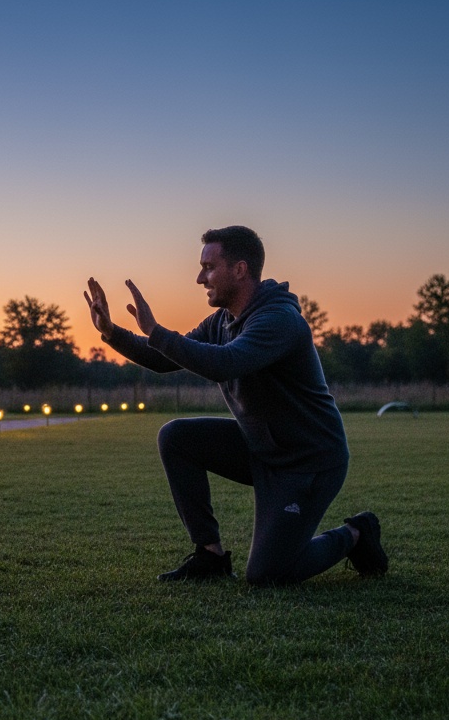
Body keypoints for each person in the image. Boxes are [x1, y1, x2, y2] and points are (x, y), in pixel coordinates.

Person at [84, 225, 387, 586]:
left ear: (240, 270)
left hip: (307, 461)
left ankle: (356, 533)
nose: (200, 277)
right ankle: (210, 556)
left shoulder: (278, 320)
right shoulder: (223, 322)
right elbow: (166, 360)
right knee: (177, 437)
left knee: (268, 575)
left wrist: (157, 330)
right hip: (261, 449)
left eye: (209, 267)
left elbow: (226, 362)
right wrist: (112, 332)